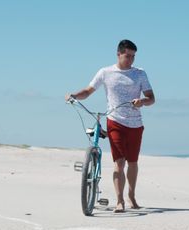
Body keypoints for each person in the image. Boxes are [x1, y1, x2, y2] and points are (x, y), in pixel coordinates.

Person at [66, 39, 155, 213]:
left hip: (135, 123)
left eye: (133, 56)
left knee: (133, 162)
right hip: (115, 120)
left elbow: (152, 98)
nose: (130, 59)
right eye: (127, 56)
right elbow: (88, 91)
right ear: (118, 54)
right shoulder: (105, 72)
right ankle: (120, 200)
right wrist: (73, 95)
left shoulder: (140, 73)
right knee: (119, 162)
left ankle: (131, 195)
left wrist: (142, 101)